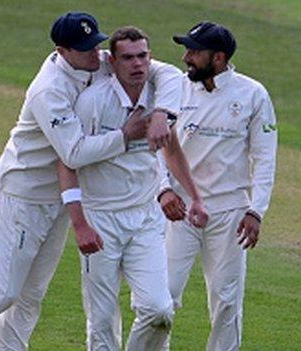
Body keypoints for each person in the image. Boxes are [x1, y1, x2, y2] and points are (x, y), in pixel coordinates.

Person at [0, 12, 183, 351]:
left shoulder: (98, 63)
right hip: (24, 193)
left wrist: (160, 113)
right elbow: (75, 153)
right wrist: (126, 136)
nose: (97, 55)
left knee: (31, 294)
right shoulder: (49, 89)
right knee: (3, 290)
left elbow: (167, 72)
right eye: (85, 50)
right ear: (62, 51)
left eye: (97, 45)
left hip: (61, 198)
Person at [56, 26, 209, 351]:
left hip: (145, 220)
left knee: (160, 311)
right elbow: (67, 162)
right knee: (101, 324)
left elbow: (172, 148)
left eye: (142, 56)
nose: (137, 64)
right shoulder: (93, 102)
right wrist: (79, 223)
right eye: (127, 58)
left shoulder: (160, 98)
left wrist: (194, 196)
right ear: (112, 61)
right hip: (100, 220)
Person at [159, 22, 278, 350]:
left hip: (230, 213)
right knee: (161, 298)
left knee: (226, 302)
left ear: (219, 58)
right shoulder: (177, 89)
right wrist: (163, 189)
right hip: (178, 209)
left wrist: (256, 210)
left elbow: (265, 158)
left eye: (195, 52)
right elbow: (157, 145)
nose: (186, 57)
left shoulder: (253, 94)